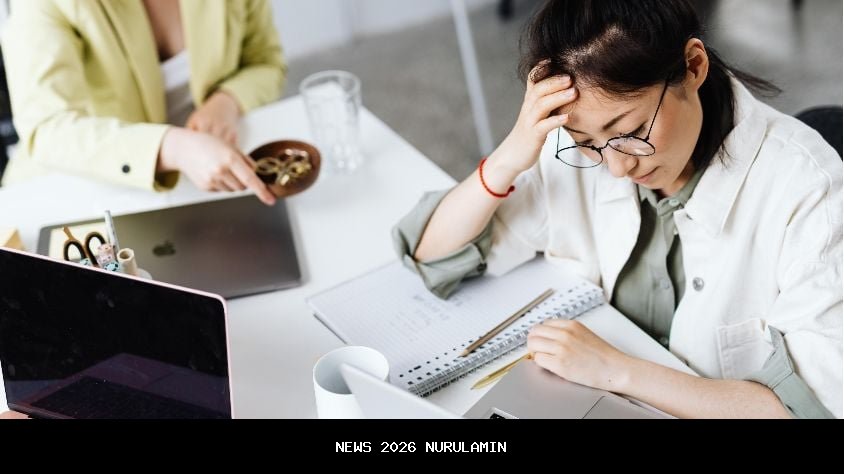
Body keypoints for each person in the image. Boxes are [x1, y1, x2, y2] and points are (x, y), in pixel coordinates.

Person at [393, 0, 842, 418]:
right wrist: (513, 153)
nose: (618, 165)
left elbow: (808, 408)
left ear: (693, 66)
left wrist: (615, 370)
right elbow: (433, 255)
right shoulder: (579, 147)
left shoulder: (808, 190)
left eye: (631, 130)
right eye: (586, 144)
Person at [1, 0, 285, 205]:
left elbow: (266, 62)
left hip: (207, 171)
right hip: (80, 185)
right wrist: (171, 147)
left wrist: (227, 100)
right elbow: (48, 127)